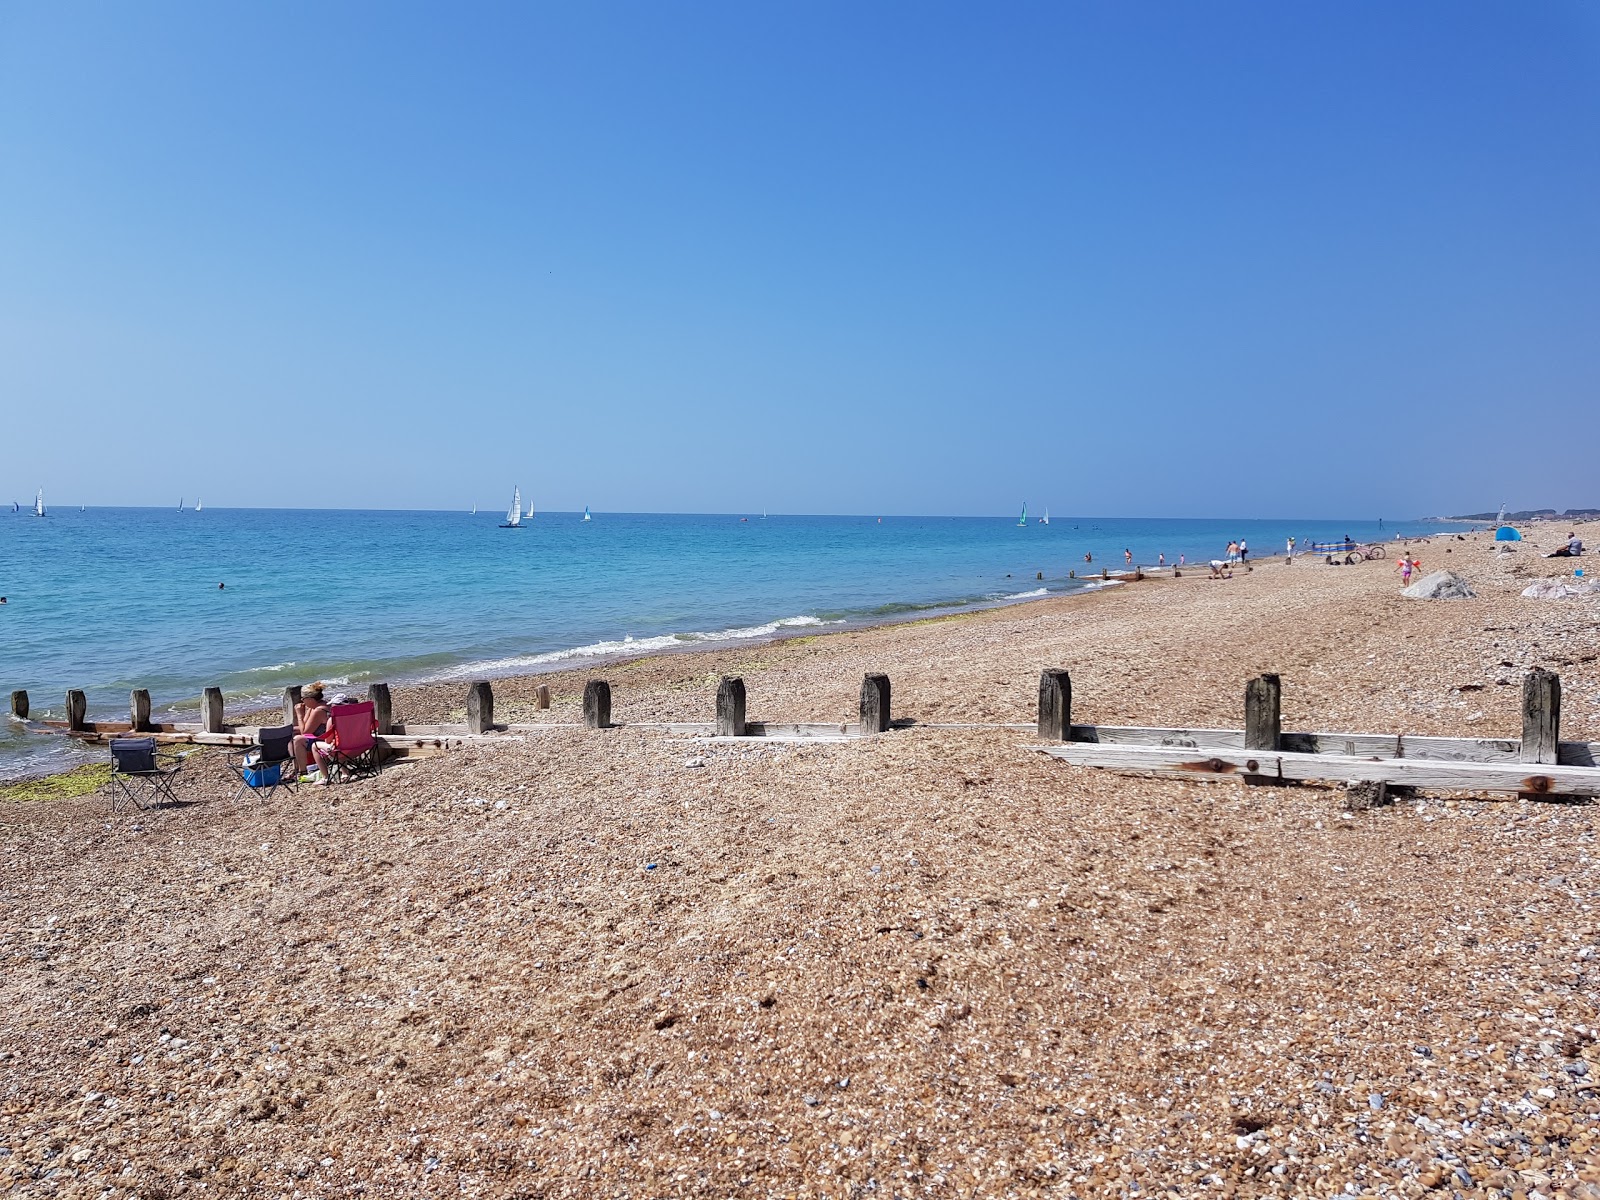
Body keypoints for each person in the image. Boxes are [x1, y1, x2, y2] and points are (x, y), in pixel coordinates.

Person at [293, 682, 331, 781]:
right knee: (291, 731)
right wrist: (308, 710)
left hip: (323, 740)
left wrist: (299, 715)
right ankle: (296, 769)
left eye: (303, 698)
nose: (302, 701)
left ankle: (302, 771)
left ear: (310, 699)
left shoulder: (319, 710)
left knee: (298, 739)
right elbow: (305, 726)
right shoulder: (320, 705)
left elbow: (305, 732)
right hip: (322, 736)